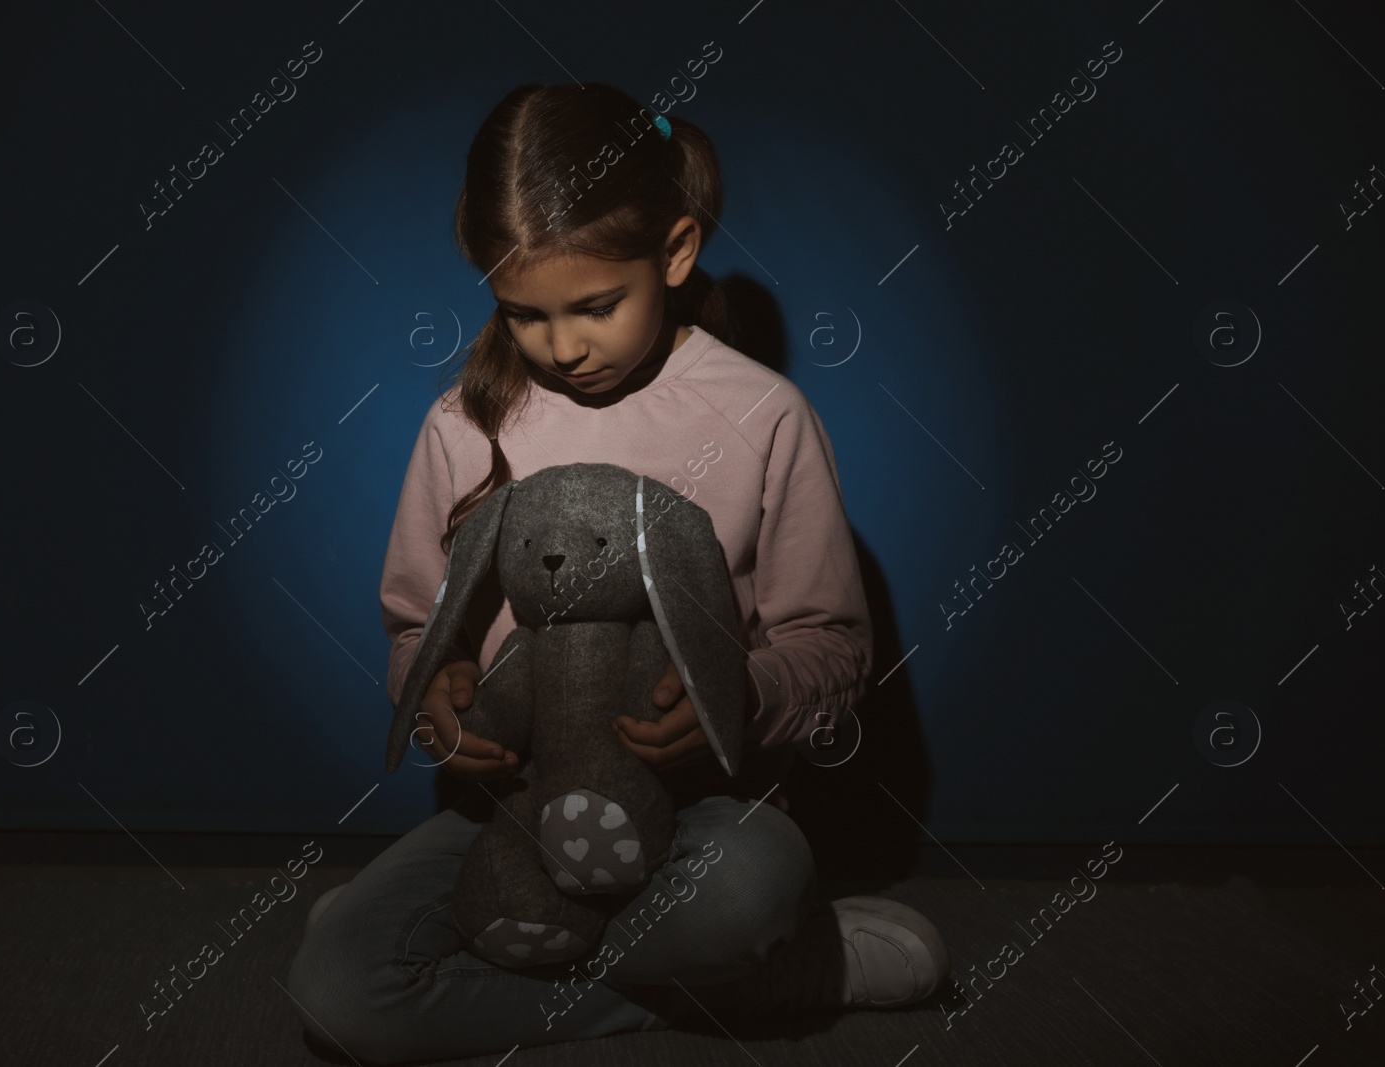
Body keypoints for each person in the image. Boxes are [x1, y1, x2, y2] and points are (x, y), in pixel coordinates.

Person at [286, 82, 948, 1064]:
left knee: (742, 887)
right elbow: (415, 626)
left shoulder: (763, 417)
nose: (562, 347)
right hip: (511, 812)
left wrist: (745, 686)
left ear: (675, 252)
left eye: (596, 305)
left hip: (702, 818)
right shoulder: (461, 427)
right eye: (523, 314)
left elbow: (833, 647)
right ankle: (759, 981)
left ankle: (487, 943)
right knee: (337, 991)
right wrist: (438, 688)